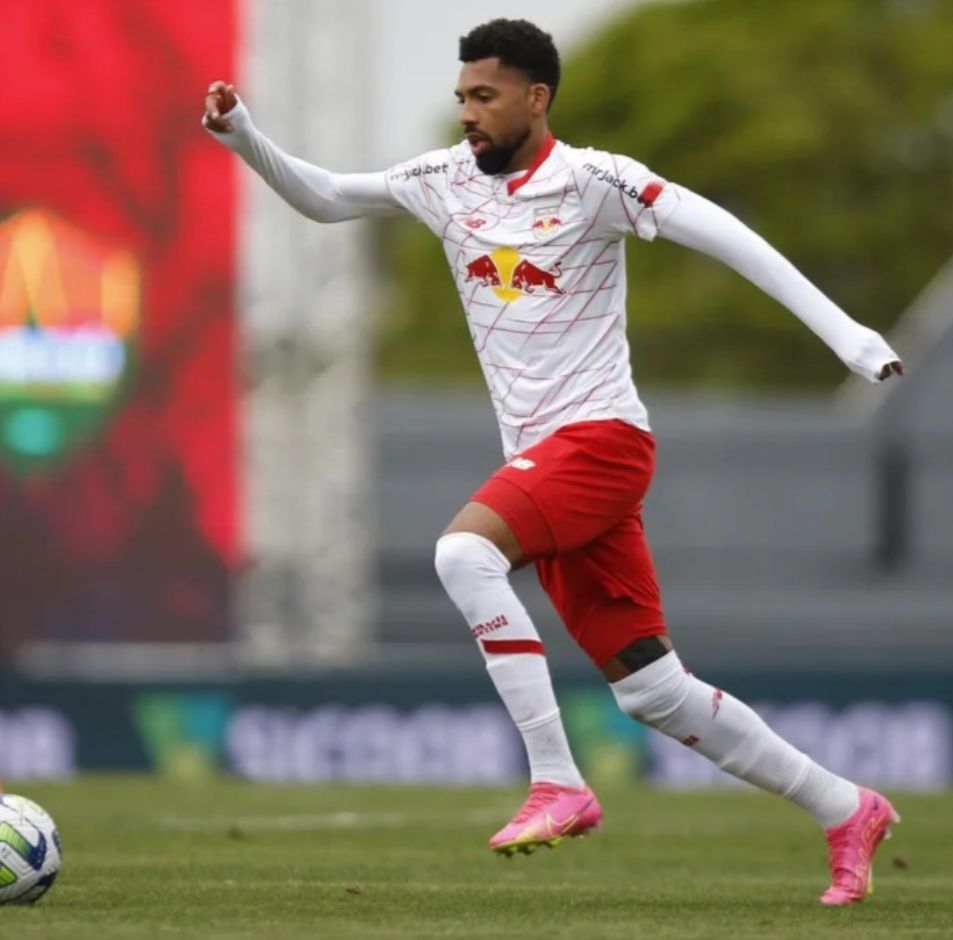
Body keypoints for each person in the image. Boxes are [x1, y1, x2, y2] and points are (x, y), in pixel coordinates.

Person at [204, 17, 905, 906]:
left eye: (484, 97)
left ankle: (557, 780)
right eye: (462, 96)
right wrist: (243, 135)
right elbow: (327, 196)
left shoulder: (594, 182)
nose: (467, 113)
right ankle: (847, 808)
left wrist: (850, 338)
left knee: (462, 553)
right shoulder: (444, 181)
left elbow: (731, 236)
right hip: (547, 462)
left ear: (536, 99)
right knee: (655, 693)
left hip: (603, 442)